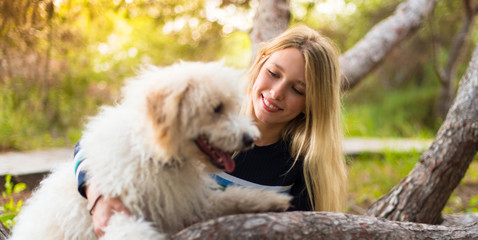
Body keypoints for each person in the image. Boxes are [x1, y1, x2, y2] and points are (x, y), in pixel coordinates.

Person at [74, 24, 348, 237]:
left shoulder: (300, 166)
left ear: (312, 104)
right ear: (260, 62)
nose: (276, 93)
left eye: (297, 89)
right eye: (274, 73)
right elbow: (102, 143)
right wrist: (97, 195)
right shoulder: (205, 115)